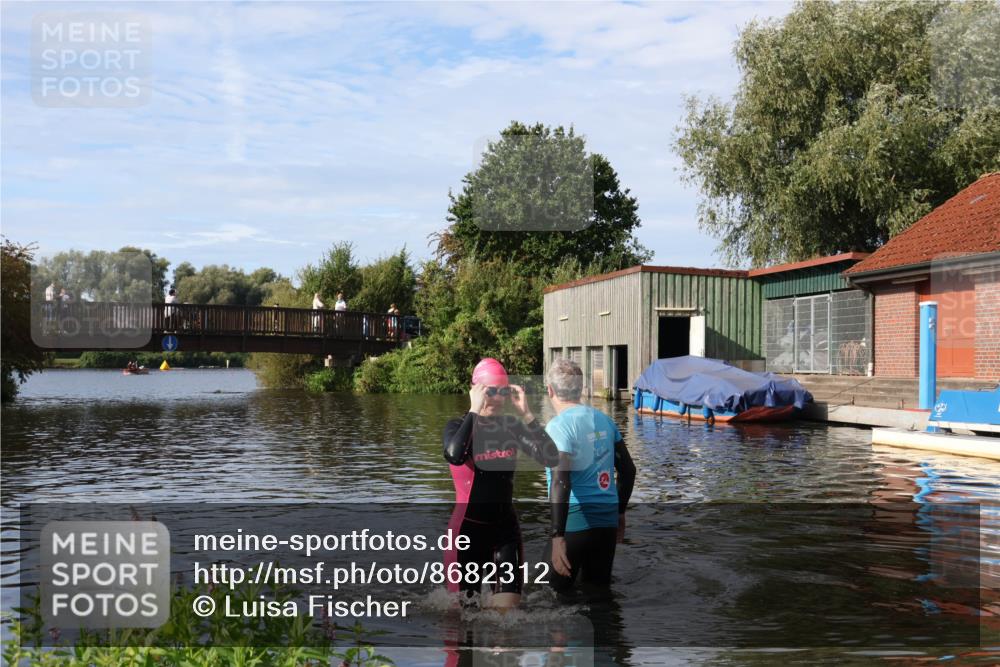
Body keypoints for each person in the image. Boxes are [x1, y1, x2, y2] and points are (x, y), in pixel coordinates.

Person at [442, 358, 560, 610]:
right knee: (462, 624)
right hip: (466, 534)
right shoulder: (456, 426)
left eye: (502, 391)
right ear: (476, 390)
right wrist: (474, 410)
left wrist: (528, 414)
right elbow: (454, 454)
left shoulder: (511, 427)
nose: (497, 398)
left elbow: (550, 457)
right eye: (490, 391)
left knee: (506, 623)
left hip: (505, 532)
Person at [544, 358, 636, 593]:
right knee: (599, 595)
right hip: (606, 522)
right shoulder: (604, 420)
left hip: (576, 522)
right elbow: (627, 470)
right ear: (581, 389)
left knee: (549, 597)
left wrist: (557, 536)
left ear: (550, 390)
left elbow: (560, 480)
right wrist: (620, 513)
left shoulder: (558, 427)